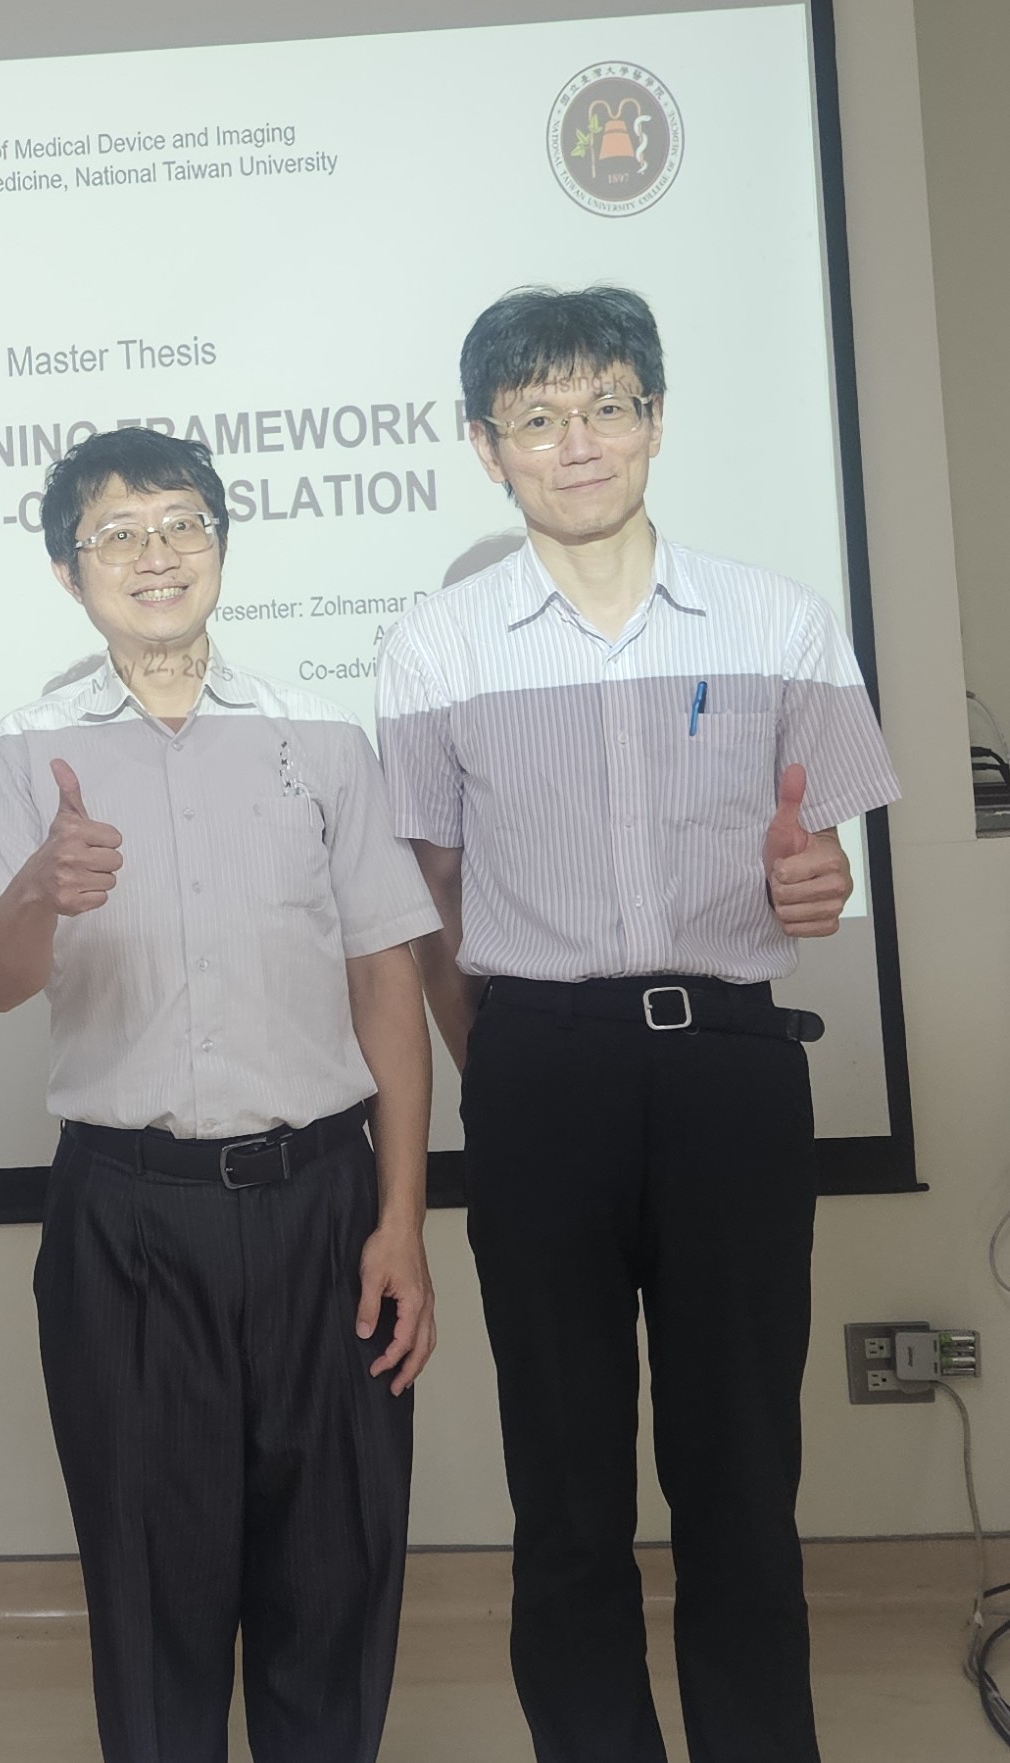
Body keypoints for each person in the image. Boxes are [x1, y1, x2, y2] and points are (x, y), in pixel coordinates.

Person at [375, 285, 901, 1763]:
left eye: (607, 403)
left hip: (733, 1064)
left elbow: (823, 861)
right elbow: (430, 897)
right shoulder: (438, 648)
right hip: (541, 1070)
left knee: (743, 1476)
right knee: (564, 1485)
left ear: (655, 417)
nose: (578, 440)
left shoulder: (779, 619)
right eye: (537, 417)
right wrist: (515, 1067)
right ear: (488, 448)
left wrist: (818, 879)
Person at [0, 426, 441, 1763]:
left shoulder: (321, 737)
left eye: (181, 524)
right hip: (130, 1222)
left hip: (325, 1210)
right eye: (117, 534)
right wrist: (41, 887)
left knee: (332, 1589)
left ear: (221, 543)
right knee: (154, 1603)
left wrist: (401, 1221)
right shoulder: (24, 748)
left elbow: (389, 990)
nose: (154, 554)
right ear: (67, 572)